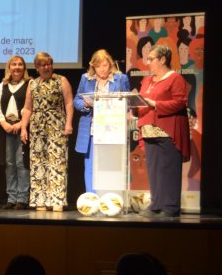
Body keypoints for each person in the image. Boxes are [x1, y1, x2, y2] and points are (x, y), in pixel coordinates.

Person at [134, 44, 190, 218]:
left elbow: (180, 102)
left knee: (169, 169)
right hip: (150, 130)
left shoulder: (175, 79)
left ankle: (171, 206)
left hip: (167, 131)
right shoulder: (147, 80)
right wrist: (133, 105)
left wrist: (156, 104)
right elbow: (142, 102)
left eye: (151, 59)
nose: (148, 62)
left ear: (163, 59)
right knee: (154, 169)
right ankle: (156, 204)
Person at [20, 52, 73, 211]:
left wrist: (68, 124)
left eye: (49, 64)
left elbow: (69, 103)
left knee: (57, 161)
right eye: (42, 65)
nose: (46, 67)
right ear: (37, 68)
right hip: (37, 127)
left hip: (57, 124)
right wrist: (23, 127)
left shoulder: (61, 80)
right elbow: (28, 108)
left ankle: (57, 200)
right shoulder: (32, 84)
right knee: (38, 162)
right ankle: (39, 200)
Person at [73, 49, 130, 193]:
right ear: (93, 66)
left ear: (110, 64)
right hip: (92, 128)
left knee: (110, 164)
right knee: (91, 166)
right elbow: (77, 100)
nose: (102, 69)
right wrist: (85, 104)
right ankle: (92, 198)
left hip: (113, 128)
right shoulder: (86, 78)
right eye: (98, 66)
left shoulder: (121, 78)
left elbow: (128, 100)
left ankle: (111, 197)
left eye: (105, 65)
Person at [0, 55, 30, 210]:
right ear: (9, 68)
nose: (17, 67)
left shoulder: (29, 84)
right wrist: (4, 123)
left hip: (23, 128)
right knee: (9, 163)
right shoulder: (3, 85)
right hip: (6, 128)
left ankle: (22, 198)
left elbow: (32, 107)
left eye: (20, 64)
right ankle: (11, 197)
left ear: (24, 68)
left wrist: (22, 124)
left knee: (21, 163)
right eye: (14, 64)